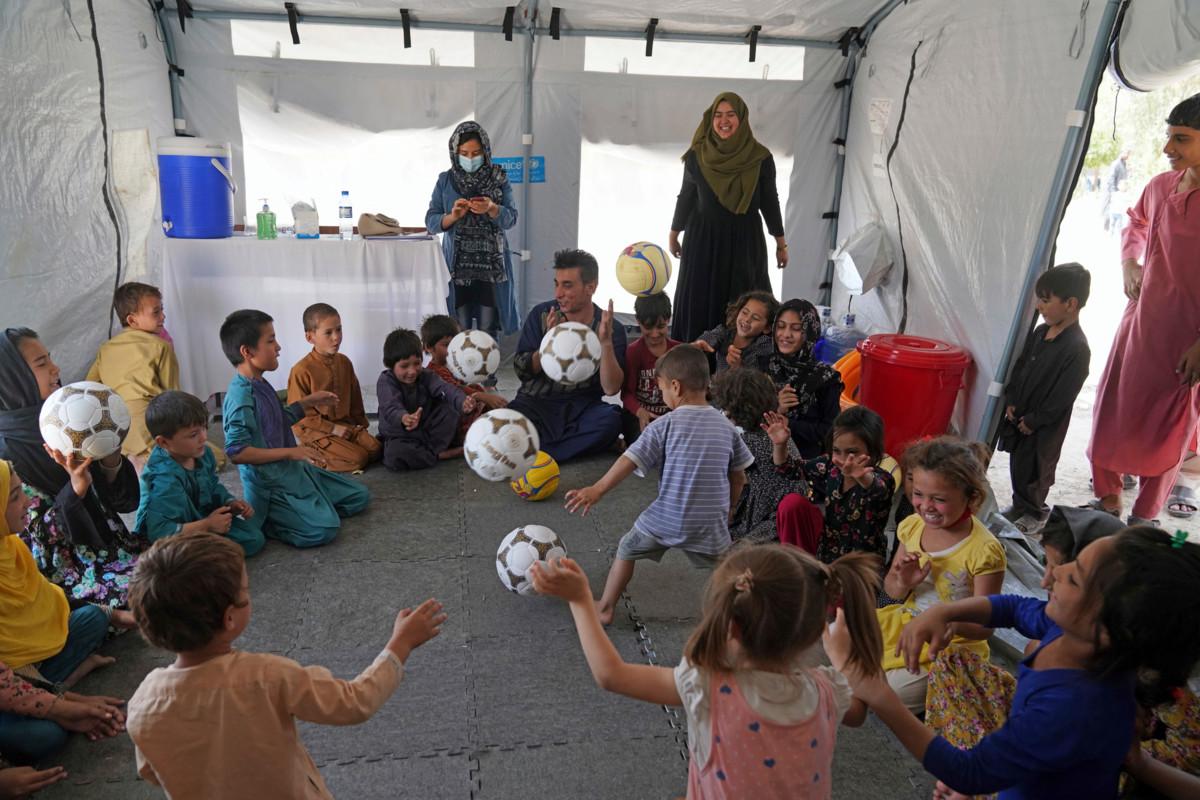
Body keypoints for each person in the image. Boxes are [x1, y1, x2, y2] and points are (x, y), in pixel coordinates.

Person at [826, 526, 1200, 800]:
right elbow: (1013, 608)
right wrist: (945, 611)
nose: (1059, 571)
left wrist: (873, 687)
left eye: (1076, 577)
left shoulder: (1074, 708)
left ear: (1107, 630)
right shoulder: (1068, 630)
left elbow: (968, 772)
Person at [530, 544, 881, 797]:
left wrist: (580, 601)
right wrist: (842, 658)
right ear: (811, 632)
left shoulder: (707, 686)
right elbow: (858, 712)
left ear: (731, 625)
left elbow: (611, 674)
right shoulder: (827, 691)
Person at [126, 532, 446, 800]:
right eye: (246, 592)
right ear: (229, 618)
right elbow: (354, 703)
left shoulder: (142, 704)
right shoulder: (267, 677)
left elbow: (152, 772)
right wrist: (400, 645)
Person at [564, 346, 752, 625]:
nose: (663, 395)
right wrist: (729, 511)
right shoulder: (726, 427)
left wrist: (597, 489)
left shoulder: (665, 424)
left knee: (627, 548)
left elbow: (629, 459)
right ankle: (738, 616)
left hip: (668, 518)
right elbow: (739, 477)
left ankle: (605, 608)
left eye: (662, 388)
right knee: (726, 568)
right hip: (709, 522)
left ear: (675, 387)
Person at [1089, 95, 1200, 526]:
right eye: (1168, 137)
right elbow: (1135, 222)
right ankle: (1107, 500)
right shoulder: (1160, 185)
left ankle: (1145, 517)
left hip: (1186, 339)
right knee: (1112, 410)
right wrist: (1129, 262)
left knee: (1171, 427)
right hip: (1139, 326)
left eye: (1182, 139)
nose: (1169, 148)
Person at [0, 328, 145, 607]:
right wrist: (75, 489)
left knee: (182, 562)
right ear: (12, 379)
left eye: (50, 359)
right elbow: (36, 545)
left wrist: (111, 459)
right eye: (41, 364)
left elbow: (121, 502)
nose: (55, 369)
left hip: (115, 546)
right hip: (69, 571)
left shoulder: (67, 420)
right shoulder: (6, 454)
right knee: (152, 590)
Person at [0, 459, 130, 769]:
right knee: (45, 736)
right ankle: (64, 677)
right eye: (15, 495)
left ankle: (53, 680)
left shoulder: (10, 547)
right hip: (11, 673)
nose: (29, 502)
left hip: (26, 661)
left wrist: (112, 615)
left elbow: (50, 597)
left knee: (94, 619)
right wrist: (65, 707)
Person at [873, 437, 1006, 713]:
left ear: (972, 498)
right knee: (842, 637)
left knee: (887, 692)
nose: (925, 506)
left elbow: (986, 625)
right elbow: (891, 591)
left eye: (939, 499)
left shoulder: (985, 551)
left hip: (951, 646)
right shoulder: (912, 526)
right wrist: (901, 581)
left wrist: (950, 624)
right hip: (906, 623)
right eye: (919, 494)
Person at [220, 310, 370, 549]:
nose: (278, 347)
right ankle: (272, 519)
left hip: (294, 470)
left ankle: (309, 506)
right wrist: (292, 453)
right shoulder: (240, 395)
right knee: (324, 529)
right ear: (247, 352)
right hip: (271, 483)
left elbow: (276, 420)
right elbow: (237, 452)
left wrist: (308, 402)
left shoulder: (259, 381)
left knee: (359, 497)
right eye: (270, 341)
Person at [669, 92, 787, 342]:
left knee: (745, 305)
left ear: (742, 119)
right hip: (703, 242)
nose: (724, 121)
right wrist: (674, 234)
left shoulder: (761, 158)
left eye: (731, 115)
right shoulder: (697, 156)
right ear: (711, 119)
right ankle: (696, 367)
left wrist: (780, 244)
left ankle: (741, 369)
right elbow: (686, 197)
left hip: (744, 242)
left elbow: (770, 202)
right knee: (700, 302)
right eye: (718, 115)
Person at [508, 249, 627, 463]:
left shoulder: (610, 327)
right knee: (510, 424)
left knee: (611, 420)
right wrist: (548, 344)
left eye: (567, 285)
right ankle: (568, 449)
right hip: (536, 403)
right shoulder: (541, 315)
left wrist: (606, 343)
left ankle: (537, 453)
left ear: (590, 287)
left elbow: (611, 389)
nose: (558, 294)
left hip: (581, 407)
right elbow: (521, 371)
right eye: (557, 284)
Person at [997, 263, 1091, 533]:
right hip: (1022, 413)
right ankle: (1019, 505)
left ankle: (1036, 512)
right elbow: (1022, 364)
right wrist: (1012, 400)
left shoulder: (1077, 348)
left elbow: (1064, 395)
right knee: (1019, 463)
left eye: (1046, 300)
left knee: (1037, 470)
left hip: (1044, 425)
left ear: (1071, 304)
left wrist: (1037, 420)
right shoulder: (1040, 332)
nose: (1039, 306)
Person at [133, 391, 264, 556]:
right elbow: (158, 532)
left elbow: (212, 486)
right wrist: (207, 525)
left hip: (198, 518)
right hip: (166, 538)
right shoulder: (165, 478)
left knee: (253, 538)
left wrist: (230, 503)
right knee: (187, 561)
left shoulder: (203, 454)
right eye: (194, 434)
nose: (204, 438)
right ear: (163, 442)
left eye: (204, 428)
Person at [425, 120, 519, 336]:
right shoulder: (446, 180)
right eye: (464, 153)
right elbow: (431, 221)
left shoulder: (499, 178)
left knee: (488, 328)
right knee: (460, 327)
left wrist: (492, 208)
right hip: (457, 267)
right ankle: (460, 369)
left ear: (485, 152)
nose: (470, 159)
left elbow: (511, 219)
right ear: (455, 152)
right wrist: (452, 216)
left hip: (491, 270)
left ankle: (489, 369)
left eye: (476, 153)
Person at [769, 406, 895, 564]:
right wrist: (780, 445)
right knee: (791, 502)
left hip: (863, 565)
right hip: (827, 556)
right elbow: (788, 470)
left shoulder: (884, 479)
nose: (842, 459)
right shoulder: (830, 466)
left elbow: (878, 490)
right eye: (836, 450)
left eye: (852, 452)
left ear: (873, 451)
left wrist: (862, 477)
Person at [85, 282, 180, 472]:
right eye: (156, 312)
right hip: (147, 421)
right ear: (132, 320)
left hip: (114, 427)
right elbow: (173, 398)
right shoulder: (160, 345)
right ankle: (145, 460)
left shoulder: (106, 348)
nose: (163, 316)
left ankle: (132, 457)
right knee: (211, 457)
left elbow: (89, 386)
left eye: (162, 310)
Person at [286, 303, 381, 474]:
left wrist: (362, 426)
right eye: (328, 333)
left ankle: (341, 448)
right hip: (316, 431)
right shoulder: (301, 370)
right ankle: (310, 456)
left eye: (339, 330)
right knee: (359, 458)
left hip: (344, 425)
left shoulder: (344, 362)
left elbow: (355, 400)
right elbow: (299, 416)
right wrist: (332, 429)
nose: (336, 337)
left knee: (375, 449)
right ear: (310, 337)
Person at [712, 368, 800, 543]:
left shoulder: (747, 442)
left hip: (767, 515)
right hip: (784, 507)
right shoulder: (769, 428)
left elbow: (737, 480)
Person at [377, 328, 477, 470]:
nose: (412, 371)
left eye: (417, 364)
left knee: (450, 410)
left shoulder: (426, 375)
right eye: (404, 366)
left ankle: (429, 450)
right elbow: (391, 407)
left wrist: (462, 401)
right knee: (395, 454)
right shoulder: (386, 381)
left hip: (425, 428)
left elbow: (446, 389)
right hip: (401, 434)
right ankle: (439, 454)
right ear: (390, 365)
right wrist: (404, 418)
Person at [765, 299, 843, 458]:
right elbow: (746, 419)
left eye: (796, 329)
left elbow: (831, 431)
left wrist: (789, 424)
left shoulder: (824, 378)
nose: (786, 334)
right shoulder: (764, 367)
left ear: (809, 334)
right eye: (780, 326)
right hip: (764, 456)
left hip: (806, 464)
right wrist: (777, 408)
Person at [420, 314, 507, 444]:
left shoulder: (454, 365)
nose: (452, 349)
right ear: (429, 347)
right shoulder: (433, 371)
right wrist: (481, 396)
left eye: (455, 343)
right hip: (448, 420)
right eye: (446, 345)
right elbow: (454, 390)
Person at [620, 293, 680, 446]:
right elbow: (627, 394)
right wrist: (640, 412)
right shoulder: (634, 352)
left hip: (671, 418)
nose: (654, 334)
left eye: (661, 326)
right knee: (645, 445)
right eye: (648, 327)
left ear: (668, 319)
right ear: (638, 321)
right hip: (641, 416)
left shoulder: (678, 350)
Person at [692, 290, 779, 375]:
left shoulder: (764, 345)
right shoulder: (725, 332)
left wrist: (739, 367)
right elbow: (711, 336)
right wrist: (700, 343)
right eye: (745, 312)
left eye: (755, 318)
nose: (747, 319)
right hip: (718, 388)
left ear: (767, 327)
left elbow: (760, 379)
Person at [1101, 149, 1131, 231]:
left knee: (1118, 211)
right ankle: (1106, 228)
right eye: (1127, 153)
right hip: (1112, 191)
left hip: (1120, 191)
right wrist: (1113, 192)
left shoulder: (1124, 164)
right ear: (1122, 153)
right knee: (1109, 210)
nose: (1128, 156)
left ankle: (1113, 229)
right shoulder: (1116, 164)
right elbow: (1111, 178)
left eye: (1129, 154)